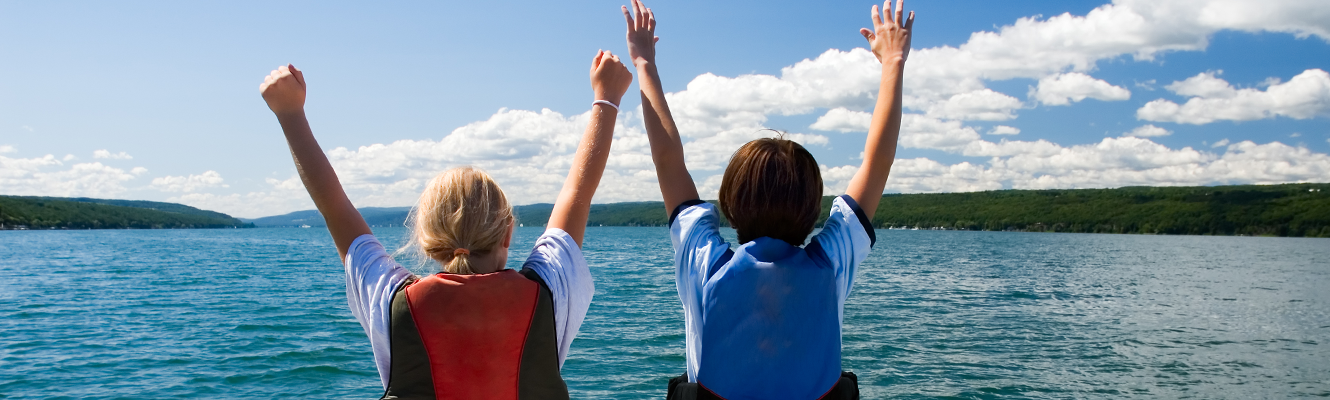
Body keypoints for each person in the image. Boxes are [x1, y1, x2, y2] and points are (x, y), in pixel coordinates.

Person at [258, 49, 633, 399]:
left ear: (426, 240)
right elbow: (577, 192)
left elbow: (333, 205)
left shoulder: (393, 301)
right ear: (508, 232)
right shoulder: (548, 292)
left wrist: (290, 115)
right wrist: (606, 97)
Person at [620, 0, 913, 398]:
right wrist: (893, 61)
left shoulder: (705, 263)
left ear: (731, 202)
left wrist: (644, 62)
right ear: (813, 211)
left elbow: (668, 161)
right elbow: (877, 163)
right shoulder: (831, 262)